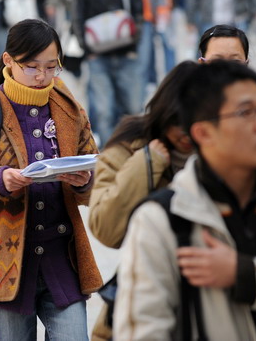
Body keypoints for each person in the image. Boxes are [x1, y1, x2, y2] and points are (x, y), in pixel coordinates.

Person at [0, 19, 102, 340]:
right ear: (8, 61)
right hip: (2, 265)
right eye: (31, 67)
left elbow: (99, 181)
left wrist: (84, 182)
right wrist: (0, 181)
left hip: (62, 259)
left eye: (51, 67)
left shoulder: (70, 109)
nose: (42, 77)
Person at [114, 60, 256, 339]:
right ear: (203, 133)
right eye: (246, 112)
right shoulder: (162, 220)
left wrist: (245, 275)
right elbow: (145, 330)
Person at [88, 61, 196, 340]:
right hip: (143, 296)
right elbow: (106, 229)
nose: (185, 133)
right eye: (177, 121)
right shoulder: (131, 143)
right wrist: (146, 164)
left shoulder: (231, 153)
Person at [72, 0, 143, 147]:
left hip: (126, 53)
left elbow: (138, 12)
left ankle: (131, 152)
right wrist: (87, 49)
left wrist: (134, 42)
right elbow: (77, 16)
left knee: (132, 107)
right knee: (103, 111)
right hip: (98, 56)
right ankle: (109, 157)